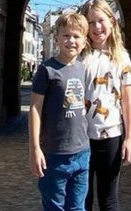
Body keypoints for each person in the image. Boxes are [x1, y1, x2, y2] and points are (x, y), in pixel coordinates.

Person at [79, 0, 131, 211]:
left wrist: (130, 138)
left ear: (112, 21)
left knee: (109, 199)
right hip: (80, 137)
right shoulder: (79, 56)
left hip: (111, 136)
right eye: (91, 22)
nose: (96, 27)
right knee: (81, 198)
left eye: (101, 20)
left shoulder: (121, 58)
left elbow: (128, 99)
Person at [30, 13, 91, 211]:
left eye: (76, 36)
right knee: (54, 207)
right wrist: (34, 149)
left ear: (84, 42)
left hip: (82, 152)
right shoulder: (46, 70)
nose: (71, 40)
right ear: (56, 38)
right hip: (54, 153)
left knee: (78, 207)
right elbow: (35, 108)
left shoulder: (84, 69)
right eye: (66, 35)